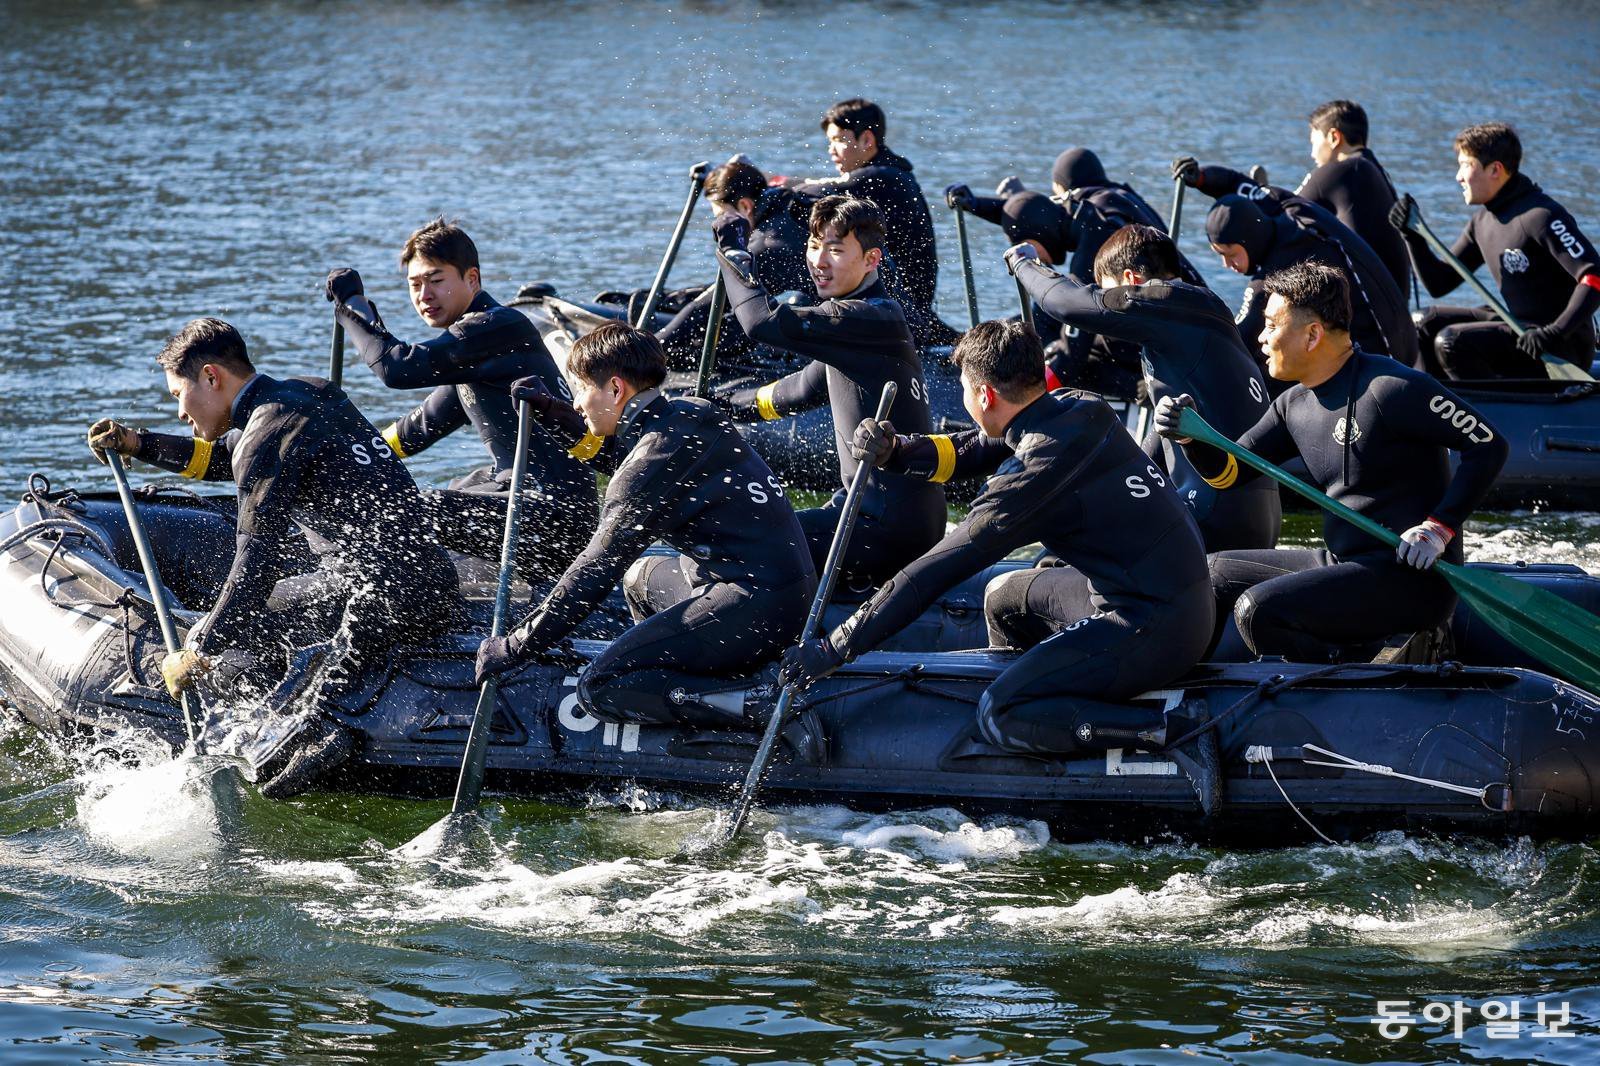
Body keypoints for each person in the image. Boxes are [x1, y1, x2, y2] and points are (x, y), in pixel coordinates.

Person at [778, 320, 1222, 812]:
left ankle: (1169, 730)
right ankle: (1054, 702)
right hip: (1159, 594)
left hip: (1157, 625)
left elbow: (933, 571)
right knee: (1005, 598)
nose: (964, 399)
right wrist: (897, 451)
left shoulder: (1033, 474)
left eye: (965, 389)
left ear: (985, 394)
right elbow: (976, 446)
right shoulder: (1076, 406)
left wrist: (834, 648)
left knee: (1001, 711)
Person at [86, 317, 462, 797]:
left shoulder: (266, 434)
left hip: (382, 598)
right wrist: (139, 444)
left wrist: (201, 649)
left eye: (178, 394)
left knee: (241, 624)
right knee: (272, 605)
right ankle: (315, 707)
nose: (179, 411)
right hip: (429, 579)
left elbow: (255, 565)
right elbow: (227, 456)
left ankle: (328, 721)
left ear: (211, 377)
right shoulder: (306, 393)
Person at [473, 323, 818, 735]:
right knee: (639, 576)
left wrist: (513, 647)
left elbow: (593, 571)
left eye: (580, 390)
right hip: (782, 593)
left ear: (615, 389)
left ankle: (757, 705)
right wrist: (554, 413)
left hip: (758, 612)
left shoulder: (652, 462)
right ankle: (674, 687)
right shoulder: (691, 413)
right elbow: (624, 459)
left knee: (601, 686)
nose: (578, 403)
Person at [1154, 262, 1507, 662]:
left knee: (1259, 610)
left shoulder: (1392, 389)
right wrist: (1189, 437)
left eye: (1271, 325)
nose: (1261, 337)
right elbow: (1229, 474)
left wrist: (1438, 529)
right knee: (1210, 572)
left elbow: (1489, 446)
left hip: (1410, 579)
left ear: (1312, 334)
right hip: (1344, 564)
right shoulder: (1292, 405)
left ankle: (1338, 675)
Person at [325, 218, 597, 583]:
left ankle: (376, 590)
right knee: (443, 490)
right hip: (521, 498)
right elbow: (415, 431)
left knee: (409, 508)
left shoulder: (497, 326)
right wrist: (345, 460)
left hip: (557, 520)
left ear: (472, 278)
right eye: (415, 284)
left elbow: (397, 368)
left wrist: (352, 306)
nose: (424, 295)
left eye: (436, 280)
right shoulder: (474, 353)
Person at [716, 194, 946, 591]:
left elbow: (760, 322)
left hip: (886, 528)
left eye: (835, 250)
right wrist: (721, 406)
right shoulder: (856, 324)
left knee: (737, 539)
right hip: (856, 508)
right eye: (813, 245)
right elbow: (797, 391)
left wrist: (732, 252)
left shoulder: (868, 317)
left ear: (871, 260)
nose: (819, 262)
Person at [1006, 224, 1281, 551]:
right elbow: (1158, 444)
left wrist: (1025, 264)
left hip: (1212, 519)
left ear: (1131, 281)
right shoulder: (1193, 318)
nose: (1105, 311)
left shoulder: (1169, 301)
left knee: (1061, 551)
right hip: (1246, 521)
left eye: (1107, 293)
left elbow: (1065, 304)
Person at [946, 147, 1206, 394]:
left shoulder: (1093, 244)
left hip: (1170, 343)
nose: (1036, 257)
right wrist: (975, 205)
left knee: (1074, 357)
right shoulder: (1103, 201)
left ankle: (1142, 388)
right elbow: (1034, 210)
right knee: (1046, 317)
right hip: (1185, 316)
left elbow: (1074, 344)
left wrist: (1032, 395)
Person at [1390, 122, 1600, 380]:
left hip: (1559, 347)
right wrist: (1412, 236)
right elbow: (1439, 283)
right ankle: (1431, 399)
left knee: (1452, 342)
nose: (1458, 176)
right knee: (1422, 322)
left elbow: (1593, 276)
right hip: (1520, 328)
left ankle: (1482, 404)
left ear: (1495, 170)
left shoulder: (1542, 217)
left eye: (1466, 165)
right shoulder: (1482, 222)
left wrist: (1554, 333)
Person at [1175, 156, 1420, 368]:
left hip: (1385, 354)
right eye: (1219, 255)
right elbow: (1237, 183)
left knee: (1267, 353)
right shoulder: (1286, 208)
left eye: (1230, 254)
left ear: (1246, 241)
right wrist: (1202, 178)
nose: (1226, 264)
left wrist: (1180, 351)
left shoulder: (1275, 271)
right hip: (1405, 333)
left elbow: (1237, 337)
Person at [785, 99, 943, 330]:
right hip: (905, 302)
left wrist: (770, 184)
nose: (831, 150)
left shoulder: (882, 177)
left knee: (799, 300)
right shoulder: (892, 171)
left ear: (867, 139)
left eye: (839, 140)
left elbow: (811, 193)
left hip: (905, 311)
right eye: (829, 141)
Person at [656, 159, 813, 369]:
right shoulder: (788, 196)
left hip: (826, 339)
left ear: (745, 206)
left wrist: (652, 349)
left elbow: (708, 307)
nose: (719, 223)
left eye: (722, 215)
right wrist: (713, 175)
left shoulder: (766, 247)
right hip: (832, 306)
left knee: (735, 326)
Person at [1296, 100, 1411, 293]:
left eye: (1314, 143)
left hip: (1369, 304)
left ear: (1334, 137)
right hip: (1395, 301)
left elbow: (1283, 209)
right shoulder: (1373, 168)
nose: (1312, 153)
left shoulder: (1343, 171)